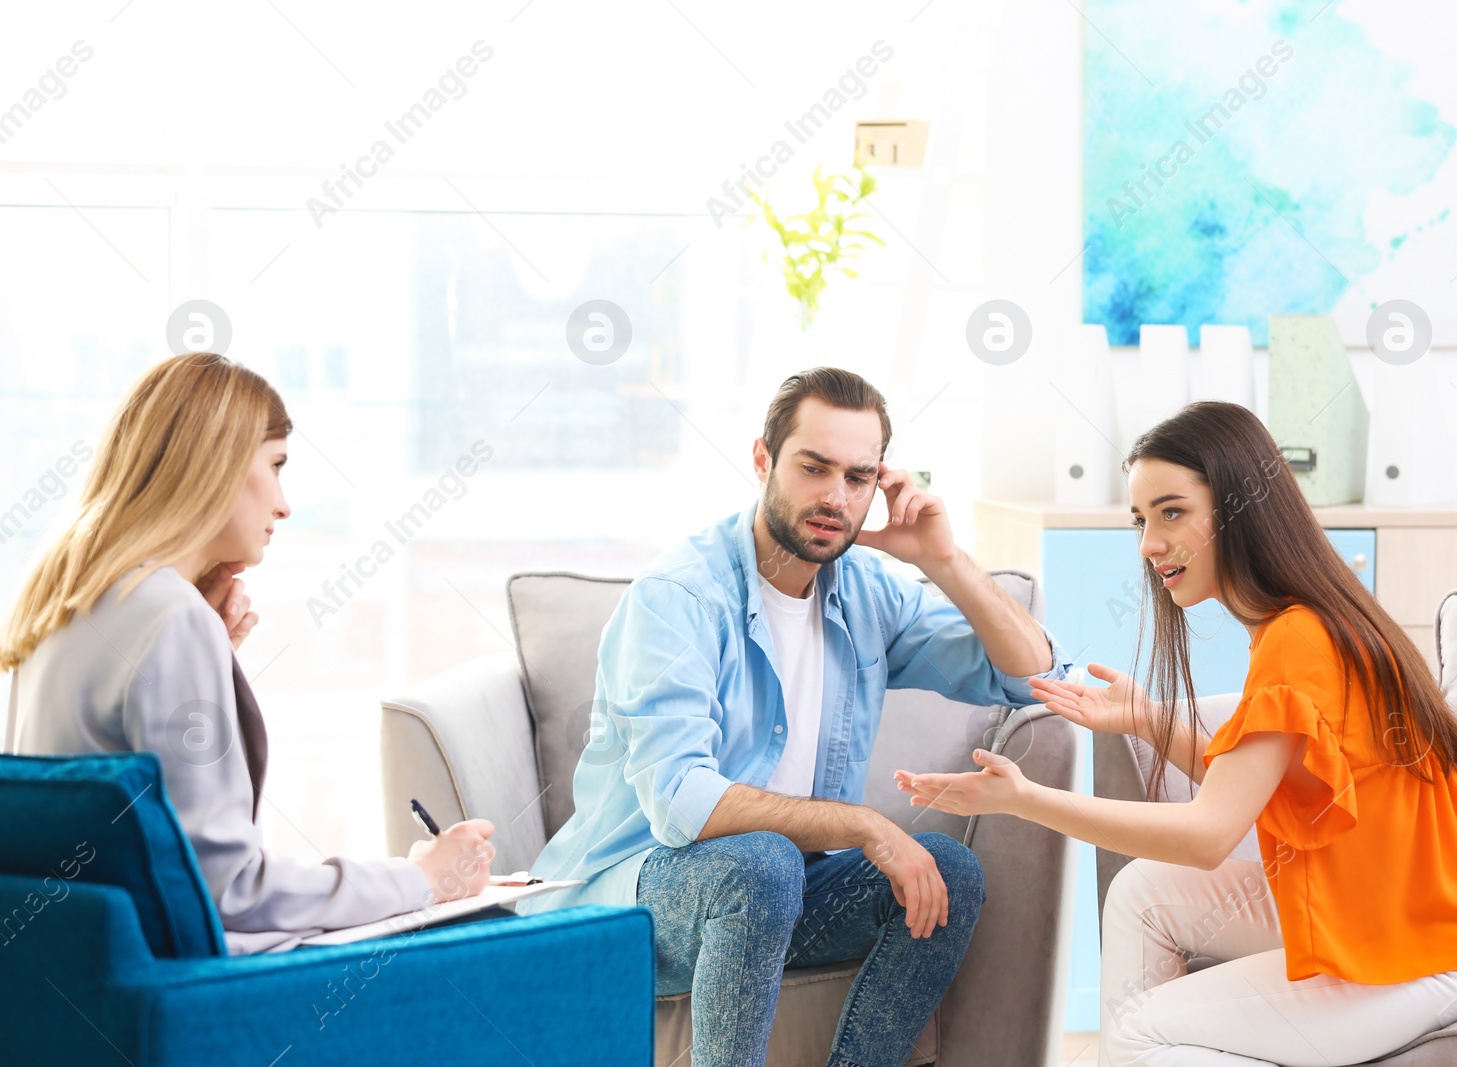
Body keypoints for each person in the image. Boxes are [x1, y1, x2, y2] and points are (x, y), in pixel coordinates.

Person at [897, 401, 1457, 1067]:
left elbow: (1209, 834)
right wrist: (1150, 718)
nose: (1150, 543)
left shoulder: (1298, 637)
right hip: (1406, 919)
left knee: (1146, 1026)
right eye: (1141, 519)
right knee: (1143, 894)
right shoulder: (1296, 624)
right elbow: (1247, 783)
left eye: (1172, 511)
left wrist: (1024, 798)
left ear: (1241, 506)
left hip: (1447, 954)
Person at [528, 367, 1076, 1067]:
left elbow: (1032, 681)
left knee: (947, 870)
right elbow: (679, 804)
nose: (835, 497)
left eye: (858, 477)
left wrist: (945, 560)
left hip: (776, 894)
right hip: (631, 903)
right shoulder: (680, 598)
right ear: (763, 459)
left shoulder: (866, 592)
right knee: (762, 862)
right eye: (814, 468)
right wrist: (864, 824)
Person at [2, 353, 497, 953]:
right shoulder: (171, 619)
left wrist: (212, 656)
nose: (284, 504)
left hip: (83, 981)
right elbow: (229, 889)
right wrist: (419, 877)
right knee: (500, 940)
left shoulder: (67, 603)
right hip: (196, 990)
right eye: (276, 466)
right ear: (215, 465)